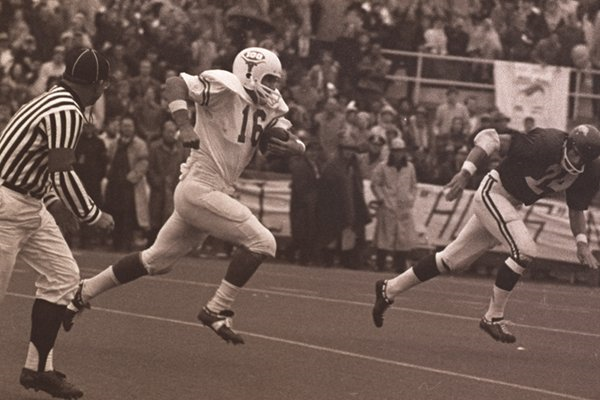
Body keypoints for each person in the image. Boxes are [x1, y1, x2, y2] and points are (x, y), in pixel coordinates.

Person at [62, 47, 305, 345]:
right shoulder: (224, 85)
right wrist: (185, 125)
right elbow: (174, 83)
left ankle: (82, 293)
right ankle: (216, 308)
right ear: (250, 73)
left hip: (208, 191)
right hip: (200, 187)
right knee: (263, 242)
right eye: (269, 79)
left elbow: (281, 135)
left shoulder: (269, 103)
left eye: (276, 81)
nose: (274, 88)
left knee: (155, 261)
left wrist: (297, 146)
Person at [372, 124, 600, 343]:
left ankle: (389, 288)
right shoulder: (545, 143)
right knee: (525, 249)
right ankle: (493, 316)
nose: (575, 159)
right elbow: (489, 137)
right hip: (494, 192)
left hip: (511, 203)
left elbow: (577, 208)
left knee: (450, 260)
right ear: (567, 143)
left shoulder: (589, 171)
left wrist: (581, 243)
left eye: (582, 157)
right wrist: (465, 173)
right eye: (573, 151)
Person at [0, 47, 114, 399]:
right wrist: (92, 214)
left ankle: (38, 369)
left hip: (27, 201)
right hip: (6, 207)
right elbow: (62, 170)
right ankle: (39, 369)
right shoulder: (67, 111)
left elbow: (34, 162)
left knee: (63, 278)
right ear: (96, 85)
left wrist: (51, 201)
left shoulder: (49, 99)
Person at [371, 138, 418, 272]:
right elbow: (375, 184)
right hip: (388, 205)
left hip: (404, 207)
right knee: (384, 236)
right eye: (395, 151)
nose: (398, 154)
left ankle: (400, 265)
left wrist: (410, 198)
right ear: (391, 152)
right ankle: (380, 263)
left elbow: (414, 185)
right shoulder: (383, 166)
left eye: (400, 151)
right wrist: (381, 198)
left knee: (402, 238)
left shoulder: (409, 167)